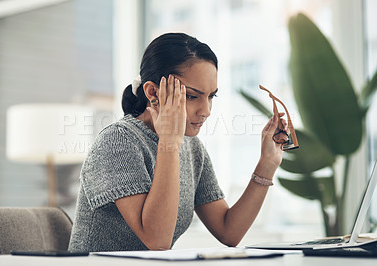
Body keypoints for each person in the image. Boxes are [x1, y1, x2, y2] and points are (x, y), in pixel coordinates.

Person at [68, 32, 286, 252]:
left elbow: (228, 231)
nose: (207, 111)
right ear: (153, 92)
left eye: (211, 96)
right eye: (192, 96)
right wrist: (169, 142)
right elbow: (157, 240)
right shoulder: (118, 141)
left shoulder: (192, 147)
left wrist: (266, 165)